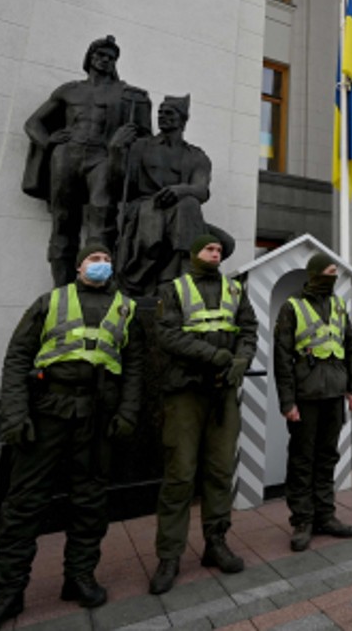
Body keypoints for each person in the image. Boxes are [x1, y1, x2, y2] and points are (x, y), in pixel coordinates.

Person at [0, 245, 143, 631]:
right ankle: (7, 594)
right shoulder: (50, 302)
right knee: (24, 506)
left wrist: (127, 413)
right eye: (93, 259)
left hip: (97, 419)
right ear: (79, 266)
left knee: (90, 503)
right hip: (48, 414)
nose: (101, 265)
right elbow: (17, 358)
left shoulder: (125, 307)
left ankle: (79, 578)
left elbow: (133, 367)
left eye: (105, 259)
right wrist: (15, 416)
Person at [150, 234, 258, 593]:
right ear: (195, 254)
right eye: (209, 250)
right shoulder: (174, 289)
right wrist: (213, 356)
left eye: (219, 251)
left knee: (220, 471)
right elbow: (167, 336)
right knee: (180, 475)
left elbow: (249, 330)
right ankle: (169, 556)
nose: (215, 254)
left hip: (223, 393)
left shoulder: (235, 290)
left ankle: (216, 543)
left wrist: (241, 360)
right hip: (185, 392)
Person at [23, 35, 151, 285]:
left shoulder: (126, 94)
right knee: (63, 221)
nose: (105, 60)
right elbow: (32, 123)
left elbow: (144, 136)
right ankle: (62, 288)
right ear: (90, 58)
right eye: (100, 55)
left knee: (102, 219)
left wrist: (124, 145)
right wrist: (48, 141)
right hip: (67, 154)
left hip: (102, 156)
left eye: (111, 58)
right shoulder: (69, 90)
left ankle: (96, 287)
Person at [273, 252, 352, 552]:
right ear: (314, 274)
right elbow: (282, 359)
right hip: (305, 397)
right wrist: (287, 402)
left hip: (335, 395)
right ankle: (302, 521)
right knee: (302, 460)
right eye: (329, 271)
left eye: (335, 272)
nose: (333, 277)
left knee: (327, 458)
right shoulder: (291, 307)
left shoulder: (338, 305)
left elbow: (349, 348)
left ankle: (326, 516)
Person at [111, 94, 224, 297]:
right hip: (147, 207)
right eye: (160, 112)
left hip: (181, 214)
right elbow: (121, 184)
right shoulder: (141, 147)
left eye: (169, 113)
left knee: (192, 207)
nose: (162, 116)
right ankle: (185, 274)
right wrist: (116, 151)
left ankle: (174, 274)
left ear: (183, 119)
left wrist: (179, 190)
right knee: (186, 207)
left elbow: (201, 190)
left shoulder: (196, 155)